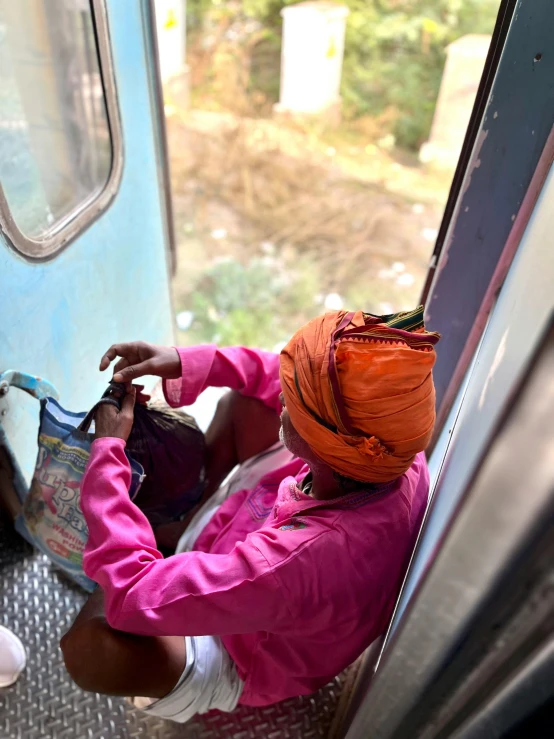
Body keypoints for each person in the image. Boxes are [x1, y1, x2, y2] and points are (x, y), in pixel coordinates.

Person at [60, 307, 439, 723]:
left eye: (293, 399)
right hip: (278, 581)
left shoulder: (297, 562)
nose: (282, 394)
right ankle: (183, 537)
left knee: (93, 648)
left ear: (325, 444)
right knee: (246, 398)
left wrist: (109, 453)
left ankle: (170, 549)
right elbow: (273, 373)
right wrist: (185, 360)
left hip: (242, 653)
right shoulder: (389, 446)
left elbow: (132, 594)